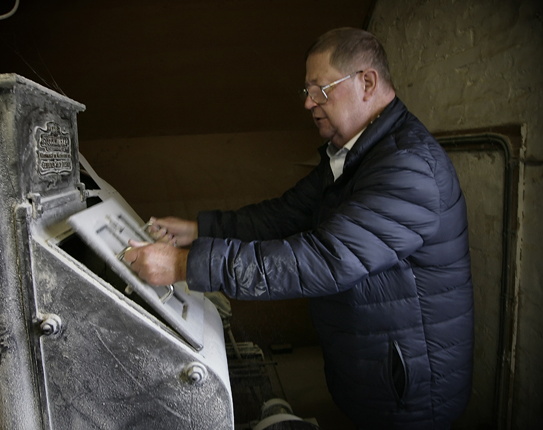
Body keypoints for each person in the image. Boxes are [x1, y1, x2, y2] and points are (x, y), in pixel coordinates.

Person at [123, 27, 473, 429]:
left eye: (319, 90)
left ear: (367, 82)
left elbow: (324, 260)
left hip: (409, 388)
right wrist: (199, 228)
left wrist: (186, 264)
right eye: (306, 91)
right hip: (373, 367)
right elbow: (284, 215)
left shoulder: (408, 167)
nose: (308, 103)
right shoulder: (353, 155)